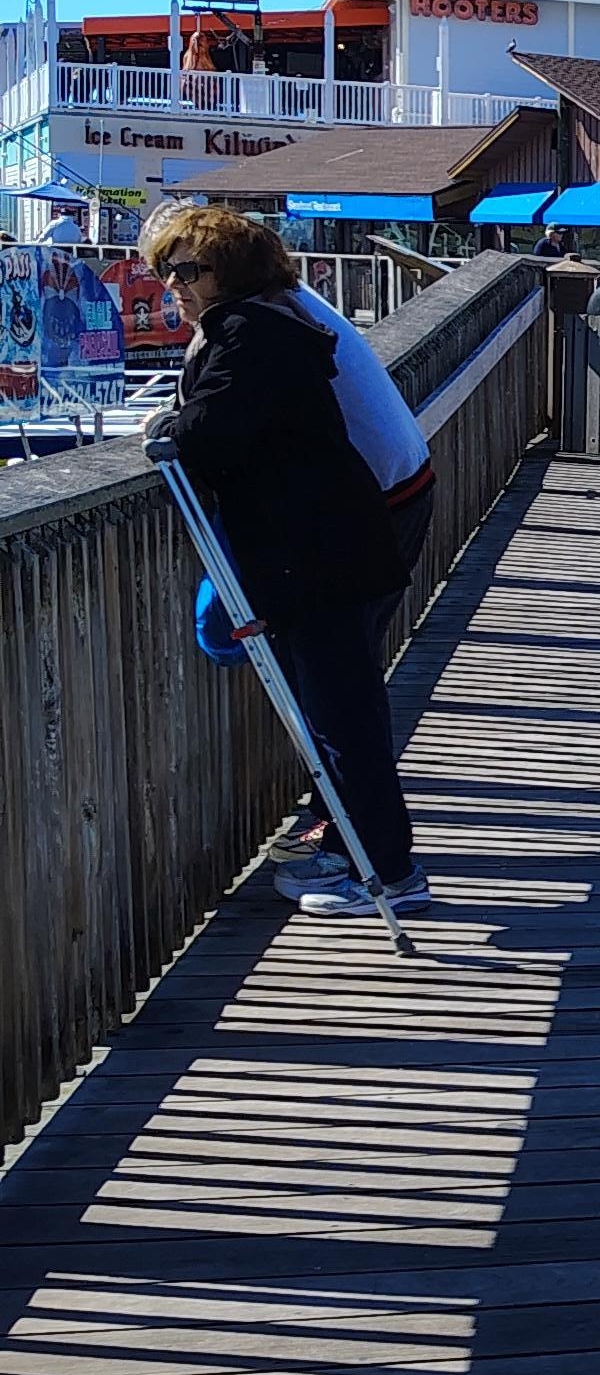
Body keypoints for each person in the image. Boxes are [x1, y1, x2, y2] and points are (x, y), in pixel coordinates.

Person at [139, 202, 430, 922]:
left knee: (341, 714)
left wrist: (169, 424)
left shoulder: (249, 333)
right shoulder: (280, 318)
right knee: (341, 706)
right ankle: (358, 846)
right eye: (165, 272)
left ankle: (383, 871)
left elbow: (210, 436)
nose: (171, 285)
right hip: (346, 540)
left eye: (184, 271)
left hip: (321, 555)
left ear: (225, 273)